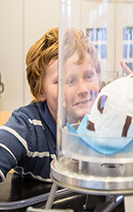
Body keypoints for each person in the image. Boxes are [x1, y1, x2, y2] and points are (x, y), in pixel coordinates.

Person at [0, 27, 100, 183]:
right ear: (40, 91)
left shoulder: (105, 119)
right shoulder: (27, 126)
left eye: (88, 76)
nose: (83, 90)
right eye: (70, 80)